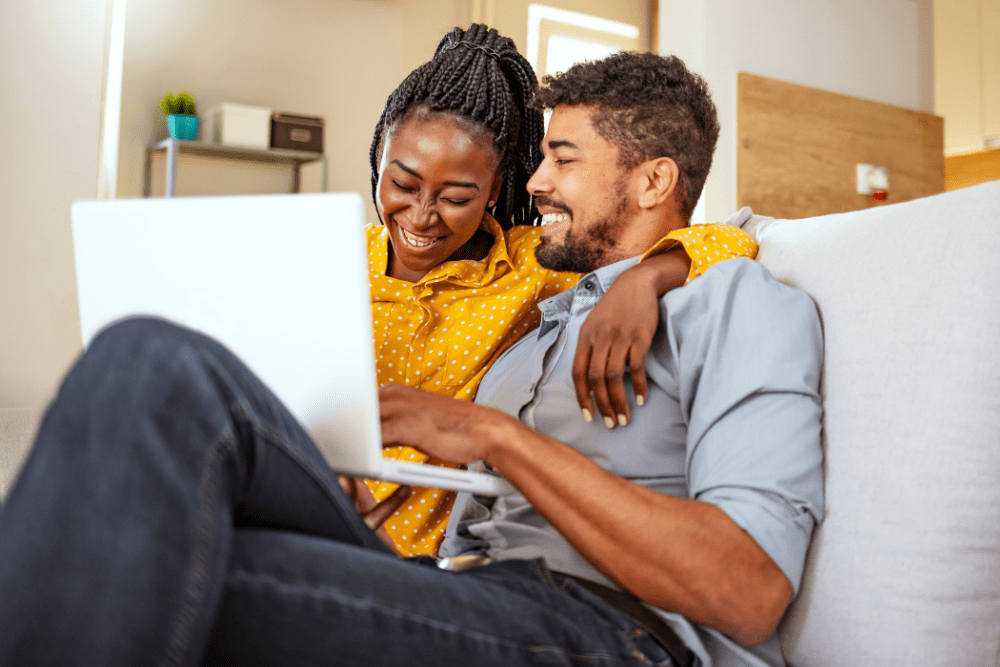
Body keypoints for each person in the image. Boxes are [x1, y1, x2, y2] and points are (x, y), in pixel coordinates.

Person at [0, 51, 819, 667]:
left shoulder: (736, 301)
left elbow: (747, 593)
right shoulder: (547, 319)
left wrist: (496, 436)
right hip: (465, 583)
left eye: (561, 158)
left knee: (158, 551)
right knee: (148, 364)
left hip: (614, 631)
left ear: (653, 181)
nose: (533, 182)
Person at [357, 24, 757, 557]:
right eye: (403, 185)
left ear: (494, 189)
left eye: (455, 197)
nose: (422, 216)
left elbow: (736, 237)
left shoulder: (533, 265)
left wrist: (650, 275)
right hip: (306, 508)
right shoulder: (330, 258)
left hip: (415, 556)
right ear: (379, 159)